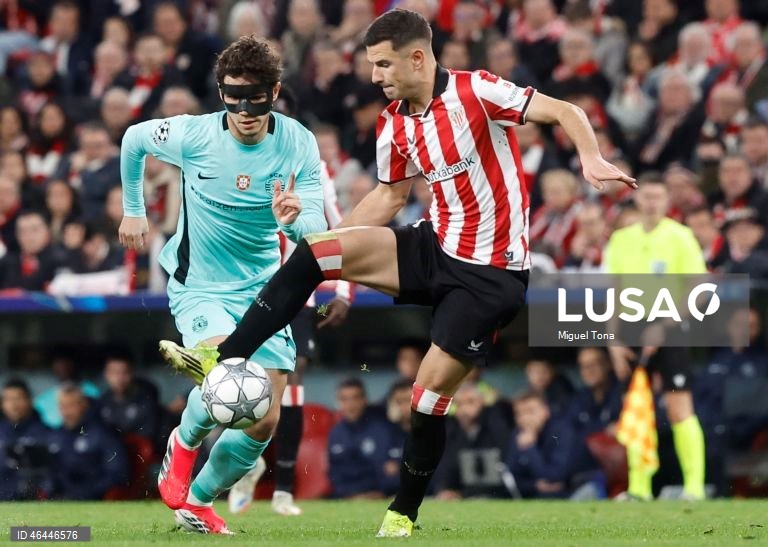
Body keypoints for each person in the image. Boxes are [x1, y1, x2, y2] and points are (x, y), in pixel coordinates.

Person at [158, 9, 634, 538]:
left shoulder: (478, 91)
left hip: (491, 276)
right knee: (314, 252)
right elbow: (389, 197)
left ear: (417, 58)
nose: (374, 76)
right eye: (371, 64)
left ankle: (402, 513)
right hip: (436, 246)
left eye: (383, 64)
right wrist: (329, 248)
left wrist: (590, 158)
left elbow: (565, 110)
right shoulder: (395, 123)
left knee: (425, 399)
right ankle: (222, 358)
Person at [118, 35, 326, 534]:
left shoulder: (298, 142)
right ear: (221, 94)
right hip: (200, 285)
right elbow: (133, 139)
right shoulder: (194, 134)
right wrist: (133, 209)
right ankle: (184, 442)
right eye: (234, 99)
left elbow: (315, 227)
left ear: (274, 92)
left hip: (265, 292)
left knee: (263, 418)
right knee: (226, 375)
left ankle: (198, 502)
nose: (245, 112)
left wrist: (294, 220)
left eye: (255, 99)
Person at [227, 87, 353, 517]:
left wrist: (343, 290)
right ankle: (249, 462)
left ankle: (282, 489)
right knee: (238, 379)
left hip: (296, 290)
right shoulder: (234, 159)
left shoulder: (310, 164)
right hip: (243, 286)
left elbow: (335, 222)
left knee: (292, 377)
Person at [604, 174, 708, 501]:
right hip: (630, 329)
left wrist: (664, 325)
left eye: (658, 197)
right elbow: (613, 292)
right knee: (637, 407)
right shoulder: (621, 239)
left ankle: (694, 488)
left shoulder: (681, 236)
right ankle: (639, 488)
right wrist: (613, 341)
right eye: (646, 196)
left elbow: (699, 290)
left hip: (671, 327)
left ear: (667, 200)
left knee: (679, 406)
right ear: (637, 199)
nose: (651, 203)